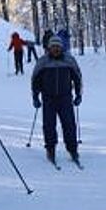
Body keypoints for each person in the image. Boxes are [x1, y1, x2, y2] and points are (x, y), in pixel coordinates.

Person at [31, 35, 83, 164]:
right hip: (48, 98)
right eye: (53, 46)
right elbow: (35, 80)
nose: (56, 49)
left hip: (65, 97)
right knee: (49, 125)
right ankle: (50, 149)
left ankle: (72, 149)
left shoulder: (69, 60)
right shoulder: (43, 61)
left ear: (61, 47)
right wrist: (35, 96)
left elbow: (77, 78)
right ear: (49, 48)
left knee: (69, 124)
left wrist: (78, 95)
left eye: (58, 47)